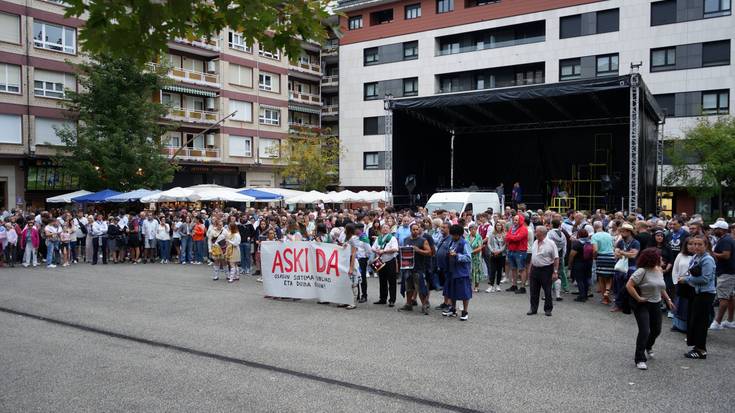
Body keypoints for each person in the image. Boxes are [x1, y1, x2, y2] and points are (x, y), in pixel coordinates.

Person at [626, 248, 674, 370]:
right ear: (653, 258)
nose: (662, 259)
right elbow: (629, 285)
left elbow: (661, 287)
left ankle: (648, 346)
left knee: (656, 330)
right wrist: (638, 298)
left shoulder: (659, 270)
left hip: (656, 303)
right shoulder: (641, 271)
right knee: (644, 331)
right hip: (643, 304)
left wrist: (668, 300)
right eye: (660, 257)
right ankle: (639, 358)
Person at [679, 236, 716, 359]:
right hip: (696, 292)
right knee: (694, 320)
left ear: (706, 246)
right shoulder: (695, 257)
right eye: (694, 244)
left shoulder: (708, 260)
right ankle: (696, 347)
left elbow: (705, 279)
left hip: (705, 294)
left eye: (700, 244)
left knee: (701, 322)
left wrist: (686, 280)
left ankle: (701, 350)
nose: (696, 246)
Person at [398, 223, 432, 314]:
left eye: (417, 229)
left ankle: (424, 306)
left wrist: (418, 250)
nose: (416, 231)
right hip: (407, 267)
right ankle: (408, 304)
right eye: (414, 229)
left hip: (418, 267)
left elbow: (429, 252)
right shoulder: (406, 240)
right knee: (408, 287)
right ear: (410, 230)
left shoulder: (423, 240)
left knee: (421, 287)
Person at [442, 224, 473, 321]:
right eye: (452, 235)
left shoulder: (464, 243)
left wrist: (457, 255)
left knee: (464, 293)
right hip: (452, 270)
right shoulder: (452, 242)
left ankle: (465, 312)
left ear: (459, 235)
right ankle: (453, 309)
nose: (452, 237)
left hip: (462, 272)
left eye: (454, 235)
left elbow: (468, 257)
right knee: (451, 291)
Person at [527, 226, 559, 316]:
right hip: (535, 269)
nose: (535, 233)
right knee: (533, 290)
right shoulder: (535, 242)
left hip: (546, 269)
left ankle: (548, 309)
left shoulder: (551, 243)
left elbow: (556, 258)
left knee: (547, 290)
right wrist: (530, 269)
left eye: (536, 231)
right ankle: (533, 308)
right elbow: (533, 257)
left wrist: (555, 272)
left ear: (541, 233)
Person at [709, 220, 735, 330]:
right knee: (730, 296)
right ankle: (729, 321)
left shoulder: (725, 240)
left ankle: (717, 322)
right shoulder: (726, 239)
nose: (714, 230)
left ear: (722, 230)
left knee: (723, 297)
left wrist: (711, 253)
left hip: (726, 273)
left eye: (716, 228)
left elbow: (726, 255)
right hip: (729, 272)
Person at [611, 223, 640, 312]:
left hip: (631, 268)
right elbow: (616, 254)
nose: (621, 233)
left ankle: (626, 305)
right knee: (619, 287)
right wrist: (626, 253)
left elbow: (633, 256)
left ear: (629, 232)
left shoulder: (635, 242)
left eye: (623, 231)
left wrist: (622, 253)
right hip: (620, 268)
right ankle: (619, 305)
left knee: (627, 287)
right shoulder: (620, 242)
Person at [372, 223, 398, 307]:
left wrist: (384, 251)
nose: (385, 229)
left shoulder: (392, 238)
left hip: (390, 261)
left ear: (390, 230)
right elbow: (373, 248)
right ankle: (382, 299)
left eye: (387, 228)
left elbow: (395, 249)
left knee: (392, 281)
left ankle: (392, 300)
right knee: (382, 281)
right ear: (381, 229)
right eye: (384, 227)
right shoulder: (378, 238)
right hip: (380, 261)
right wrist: (377, 251)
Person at [672, 237, 694, 333]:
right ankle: (677, 325)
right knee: (679, 305)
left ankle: (687, 327)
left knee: (688, 307)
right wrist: (675, 282)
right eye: (689, 244)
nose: (692, 246)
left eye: (693, 244)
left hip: (692, 284)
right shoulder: (680, 255)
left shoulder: (698, 256)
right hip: (680, 284)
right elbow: (675, 269)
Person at [592, 221, 616, 305]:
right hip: (611, 257)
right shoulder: (609, 235)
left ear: (594, 227)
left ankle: (605, 298)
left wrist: (594, 257)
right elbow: (613, 246)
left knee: (601, 278)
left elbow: (595, 250)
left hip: (601, 257)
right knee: (609, 277)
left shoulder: (594, 236)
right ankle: (607, 291)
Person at [569, 229, 593, 302]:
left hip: (579, 263)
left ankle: (581, 296)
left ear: (578, 235)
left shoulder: (577, 243)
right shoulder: (590, 242)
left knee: (580, 280)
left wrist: (570, 264)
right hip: (588, 263)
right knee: (586, 279)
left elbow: (572, 255)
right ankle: (585, 295)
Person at [486, 221, 506, 292]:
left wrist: (500, 251)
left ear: (502, 226)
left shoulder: (504, 235)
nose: (498, 227)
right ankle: (491, 285)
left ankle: (498, 285)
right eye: (497, 225)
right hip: (493, 254)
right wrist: (493, 251)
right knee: (493, 270)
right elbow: (489, 244)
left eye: (500, 225)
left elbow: (505, 244)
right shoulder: (492, 234)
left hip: (501, 254)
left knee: (499, 270)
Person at [466, 223, 484, 293]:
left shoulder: (479, 237)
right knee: (469, 271)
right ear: (469, 230)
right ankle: (469, 286)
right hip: (468, 257)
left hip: (476, 256)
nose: (473, 230)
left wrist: (471, 252)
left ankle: (476, 286)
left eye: (475, 229)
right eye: (472, 229)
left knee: (476, 271)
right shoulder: (467, 237)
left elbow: (480, 247)